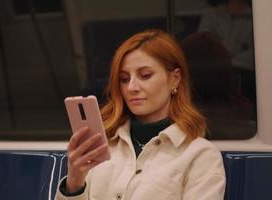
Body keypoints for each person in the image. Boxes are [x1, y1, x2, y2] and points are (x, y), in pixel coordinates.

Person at [55, 29, 226, 200]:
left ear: (175, 79)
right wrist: (74, 185)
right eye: (124, 79)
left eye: (145, 76)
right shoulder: (102, 145)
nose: (131, 87)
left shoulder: (200, 155)